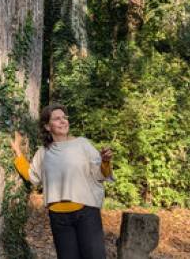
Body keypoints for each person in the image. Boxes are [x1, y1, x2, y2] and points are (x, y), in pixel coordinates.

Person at [11, 103, 113, 259]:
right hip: (58, 218)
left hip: (86, 214)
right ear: (47, 126)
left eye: (64, 117)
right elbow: (32, 176)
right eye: (57, 119)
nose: (63, 121)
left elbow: (99, 174)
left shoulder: (82, 144)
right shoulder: (43, 152)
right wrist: (17, 152)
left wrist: (105, 161)